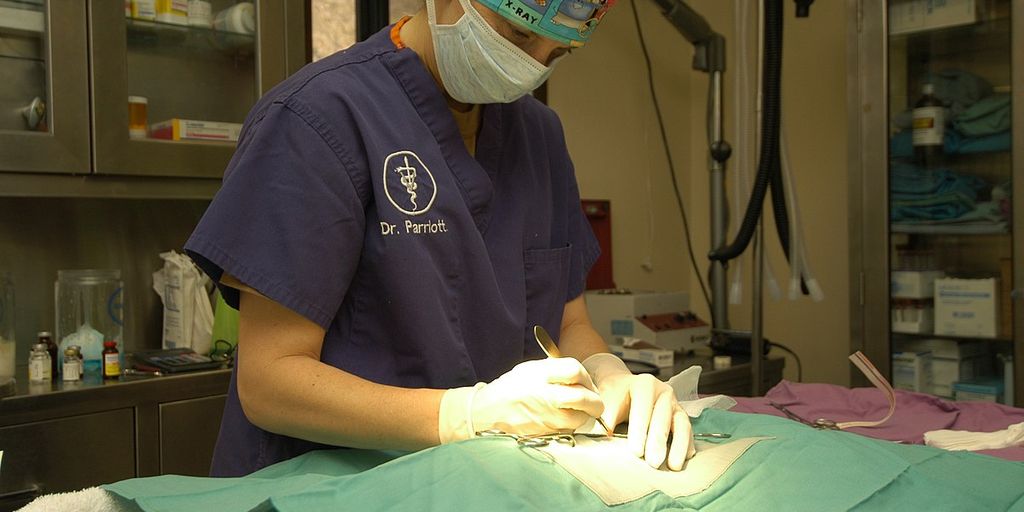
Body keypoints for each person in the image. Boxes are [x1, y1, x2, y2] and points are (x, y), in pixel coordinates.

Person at [185, 0, 695, 477]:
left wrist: (608, 374)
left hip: (478, 483)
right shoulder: (316, 118)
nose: (531, 66)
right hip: (329, 485)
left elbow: (569, 321)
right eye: (517, 34)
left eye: (555, 53)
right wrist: (464, 414)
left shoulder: (539, 134)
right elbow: (270, 383)